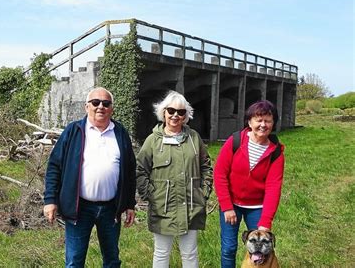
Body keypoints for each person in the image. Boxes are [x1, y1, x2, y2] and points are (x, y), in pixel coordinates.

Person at [43, 87, 136, 268]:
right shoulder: (73, 131)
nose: (100, 106)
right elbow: (55, 166)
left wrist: (130, 204)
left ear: (112, 108)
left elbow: (130, 170)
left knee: (112, 260)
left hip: (111, 208)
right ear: (87, 107)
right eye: (95, 102)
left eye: (105, 103)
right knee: (74, 261)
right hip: (80, 207)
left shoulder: (120, 132)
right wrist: (50, 200)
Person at [136, 90, 213, 268]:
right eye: (171, 111)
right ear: (163, 112)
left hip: (191, 205)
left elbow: (206, 165)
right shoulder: (152, 141)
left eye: (181, 112)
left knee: (190, 253)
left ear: (186, 115)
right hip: (163, 207)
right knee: (162, 253)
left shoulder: (194, 138)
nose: (175, 116)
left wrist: (204, 192)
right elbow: (140, 170)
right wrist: (151, 196)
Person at [214, 100, 285, 268]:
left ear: (273, 123)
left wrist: (265, 221)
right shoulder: (235, 141)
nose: (263, 125)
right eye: (258, 120)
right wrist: (227, 206)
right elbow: (220, 174)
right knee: (228, 249)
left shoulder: (276, 152)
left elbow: (274, 187)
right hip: (232, 204)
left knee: (262, 249)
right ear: (249, 121)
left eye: (268, 120)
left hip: (257, 206)